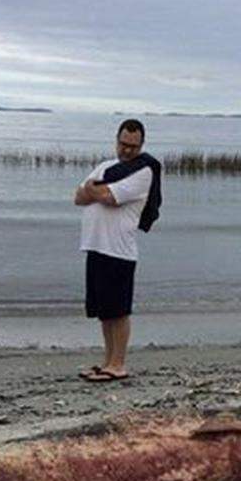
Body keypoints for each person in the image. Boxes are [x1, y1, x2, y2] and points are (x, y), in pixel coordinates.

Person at [73, 119, 161, 382]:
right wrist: (94, 191)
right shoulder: (106, 167)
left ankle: (119, 364)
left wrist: (94, 190)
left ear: (141, 145)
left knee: (119, 311)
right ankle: (107, 361)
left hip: (119, 251)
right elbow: (78, 197)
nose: (127, 150)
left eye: (133, 146)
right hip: (96, 246)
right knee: (104, 312)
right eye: (123, 144)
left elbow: (109, 197)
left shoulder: (143, 171)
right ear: (116, 140)